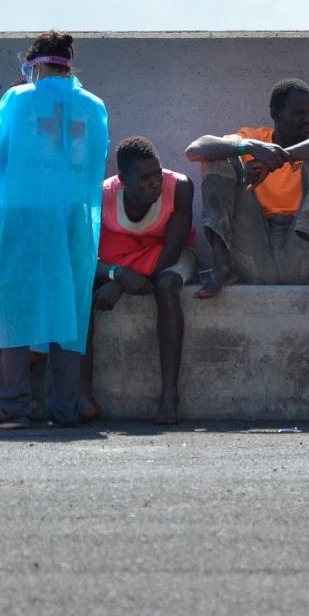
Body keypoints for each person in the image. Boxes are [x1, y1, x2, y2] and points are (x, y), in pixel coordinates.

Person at [0, 32, 110, 429]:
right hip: (72, 212)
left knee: (15, 302)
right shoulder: (93, 106)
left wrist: (22, 179)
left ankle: (13, 407)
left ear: (34, 65)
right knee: (68, 304)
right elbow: (95, 162)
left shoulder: (19, 99)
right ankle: (64, 409)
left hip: (21, 212)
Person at [184, 79, 309, 303]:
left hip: (304, 254)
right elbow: (195, 150)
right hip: (255, 253)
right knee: (218, 157)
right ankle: (221, 266)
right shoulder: (254, 138)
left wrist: (282, 157)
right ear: (276, 114)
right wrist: (250, 147)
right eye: (299, 113)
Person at [87, 137, 197, 425]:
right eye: (145, 178)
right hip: (122, 258)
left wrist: (120, 281)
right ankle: (81, 396)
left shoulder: (180, 188)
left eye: (157, 174)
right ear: (123, 179)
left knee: (166, 285)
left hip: (168, 255)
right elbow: (85, 257)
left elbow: (172, 252)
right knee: (83, 290)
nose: (155, 183)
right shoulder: (102, 196)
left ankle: (169, 397)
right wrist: (117, 273)